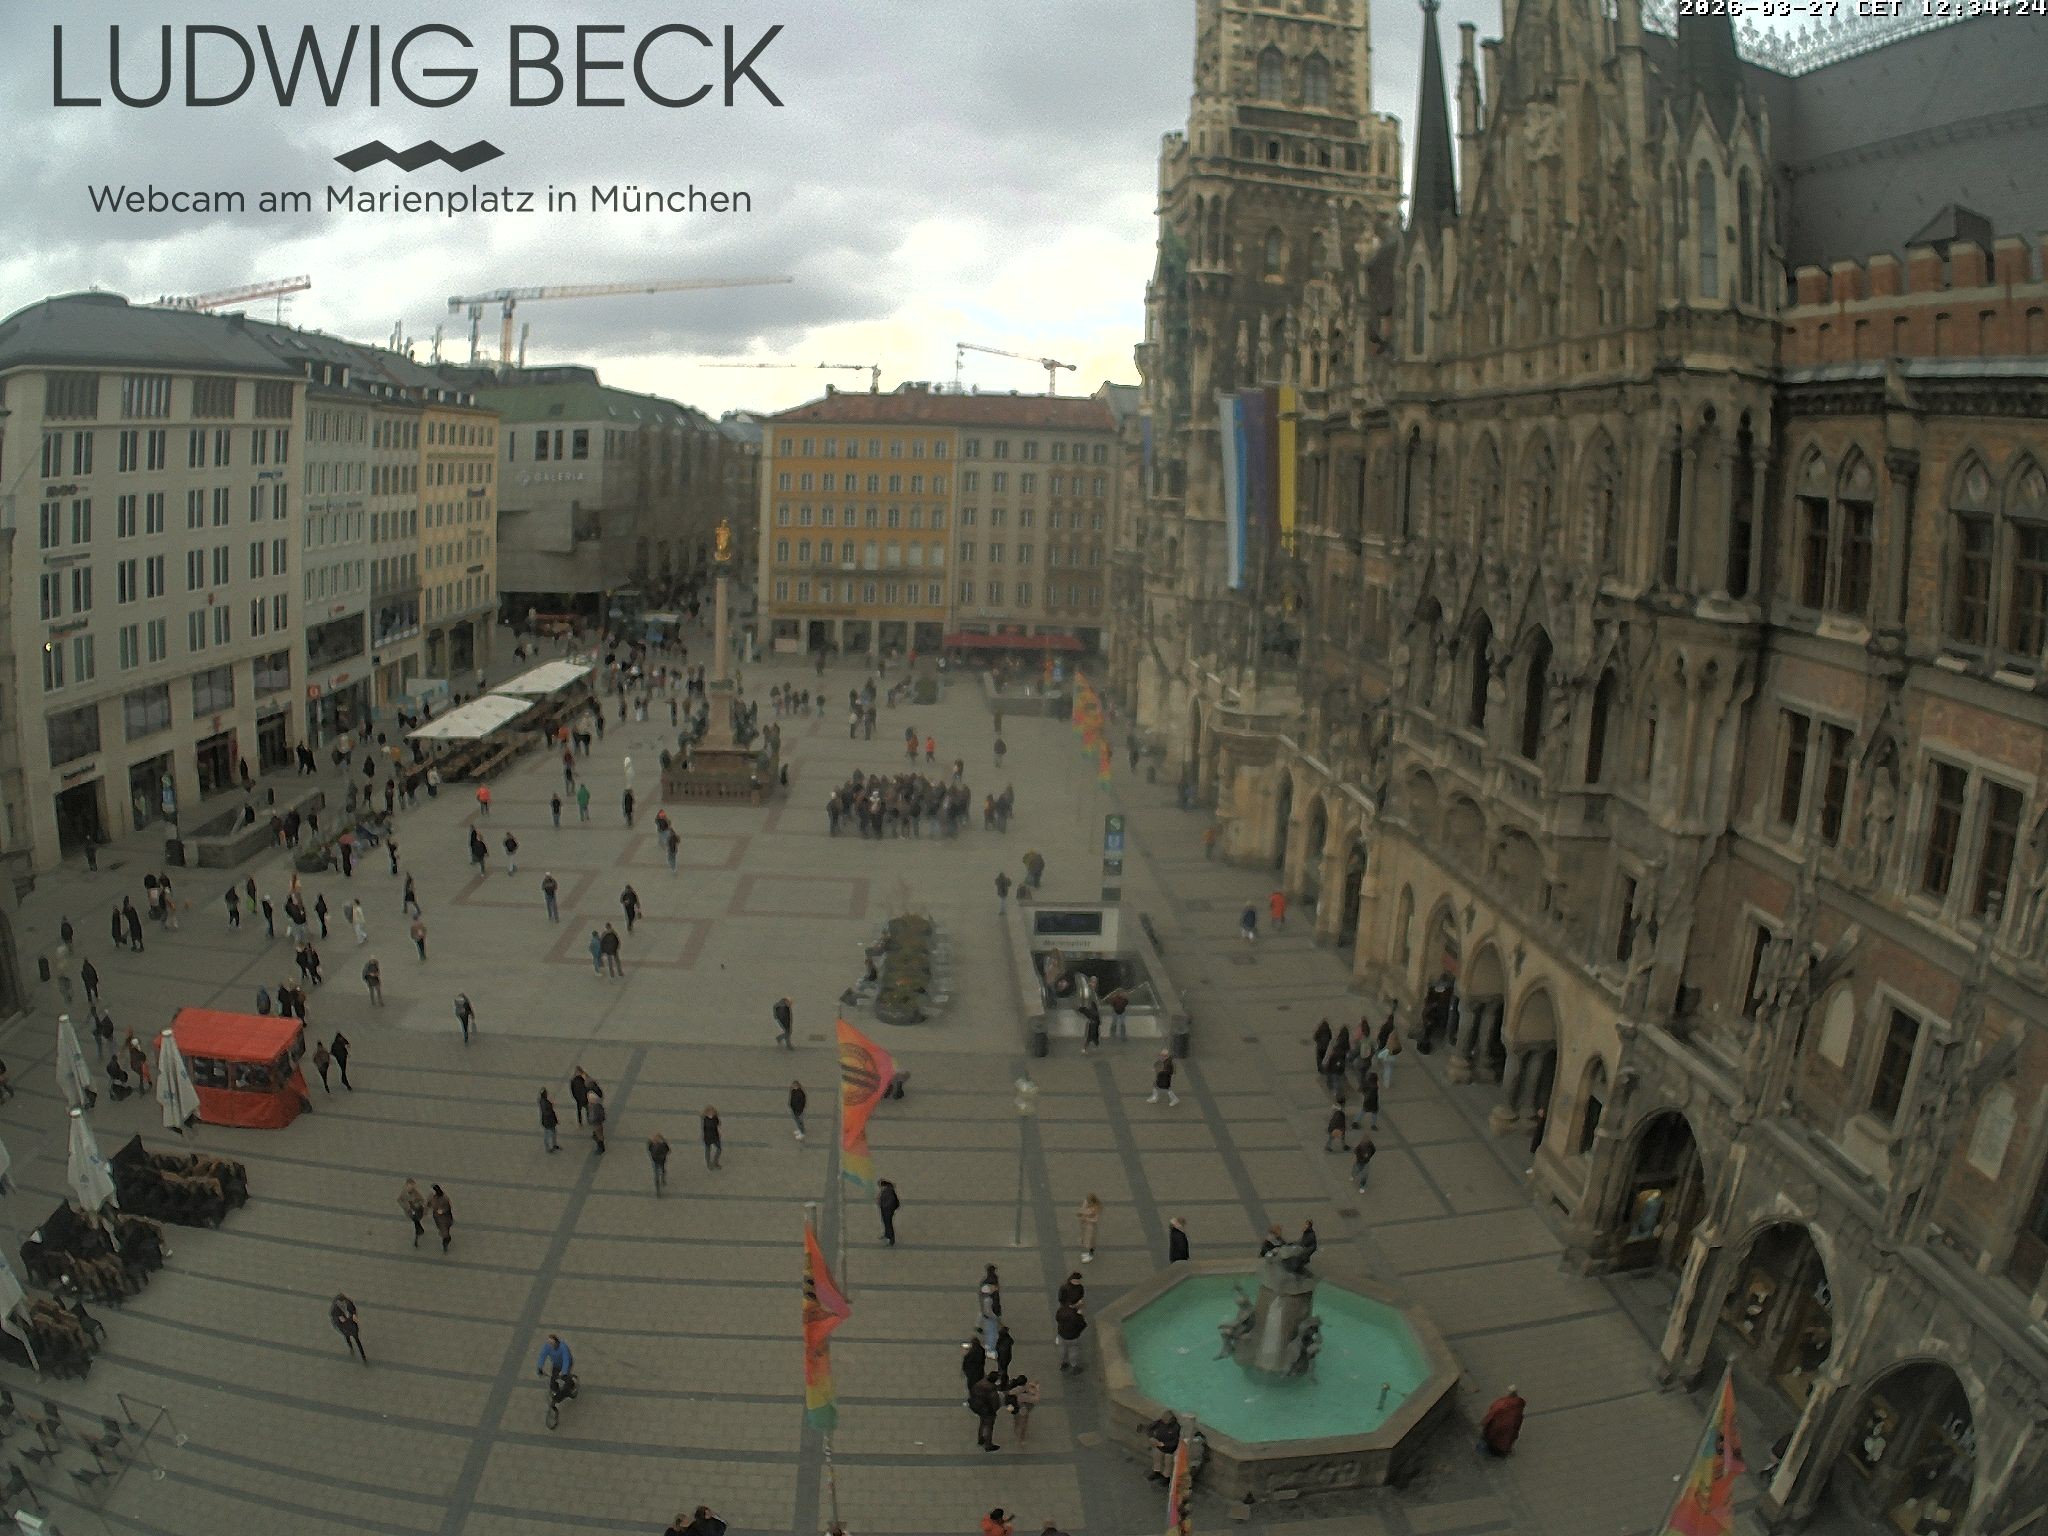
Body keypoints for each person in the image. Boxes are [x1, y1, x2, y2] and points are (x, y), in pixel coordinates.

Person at [1479, 1385, 1527, 1456]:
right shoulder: (1519, 1405)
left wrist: (1485, 1422)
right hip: (1510, 1430)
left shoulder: (1501, 1403)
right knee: (1503, 1441)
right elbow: (1518, 1420)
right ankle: (1501, 1452)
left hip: (1496, 1427)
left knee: (1492, 1440)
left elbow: (1493, 1412)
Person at [969, 1371, 1002, 1452]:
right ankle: (988, 1444)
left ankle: (981, 1439)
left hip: (977, 1406)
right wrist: (995, 1410)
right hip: (987, 1410)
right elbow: (995, 1402)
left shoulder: (980, 1383)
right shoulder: (991, 1388)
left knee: (982, 1423)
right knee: (988, 1426)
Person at [330, 1294, 367, 1364]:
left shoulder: (349, 1303)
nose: (342, 1305)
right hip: (344, 1328)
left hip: (352, 1326)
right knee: (348, 1339)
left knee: (357, 1340)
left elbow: (353, 1310)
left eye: (343, 1303)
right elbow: (334, 1321)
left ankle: (363, 1356)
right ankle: (351, 1349)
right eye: (340, 1303)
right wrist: (339, 1320)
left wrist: (354, 1315)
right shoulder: (335, 1309)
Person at [1147, 1411, 1181, 1482]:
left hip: (1169, 1450)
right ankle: (1156, 1471)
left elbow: (1175, 1442)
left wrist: (1165, 1444)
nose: (1164, 1421)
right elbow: (1150, 1428)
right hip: (1158, 1446)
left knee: (1168, 1464)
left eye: (1166, 1420)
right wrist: (1151, 1437)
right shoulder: (1160, 1422)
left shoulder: (1176, 1428)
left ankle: (1166, 1477)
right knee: (1157, 1460)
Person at [1008, 1373, 1039, 1442]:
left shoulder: (1014, 1388)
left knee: (1016, 1418)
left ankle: (1016, 1427)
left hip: (1015, 1407)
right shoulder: (1025, 1388)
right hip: (1023, 1407)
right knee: (1024, 1421)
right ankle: (1022, 1436)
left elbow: (1009, 1393)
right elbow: (1033, 1396)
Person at [399, 1178, 427, 1247]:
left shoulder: (416, 1193)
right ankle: (418, 1233)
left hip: (418, 1210)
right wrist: (406, 1207)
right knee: (416, 1222)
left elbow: (422, 1200)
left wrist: (419, 1204)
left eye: (412, 1186)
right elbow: (400, 1200)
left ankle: (418, 1232)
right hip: (411, 1212)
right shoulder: (403, 1193)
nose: (411, 1187)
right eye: (409, 1186)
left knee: (417, 1222)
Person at [1077, 1192, 1103, 1263]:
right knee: (1085, 1240)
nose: (1087, 1203)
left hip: (1091, 1226)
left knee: (1090, 1242)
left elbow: (1095, 1219)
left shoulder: (1096, 1208)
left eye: (1089, 1202)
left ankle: (1090, 1256)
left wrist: (1087, 1219)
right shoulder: (1087, 1202)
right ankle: (1087, 1254)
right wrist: (1081, 1213)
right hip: (1085, 1225)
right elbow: (1083, 1208)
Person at [428, 1184, 455, 1252]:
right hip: (438, 1218)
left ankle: (445, 1242)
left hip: (445, 1218)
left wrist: (442, 1211)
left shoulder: (444, 1198)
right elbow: (429, 1205)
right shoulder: (432, 1198)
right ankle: (445, 1242)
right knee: (444, 1232)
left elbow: (448, 1207)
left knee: (445, 1232)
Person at [876, 1178, 900, 1245]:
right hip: (885, 1210)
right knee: (886, 1223)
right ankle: (887, 1234)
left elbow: (890, 1202)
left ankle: (891, 1239)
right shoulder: (886, 1190)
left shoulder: (889, 1191)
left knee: (888, 1224)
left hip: (888, 1210)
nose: (880, 1188)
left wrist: (884, 1205)